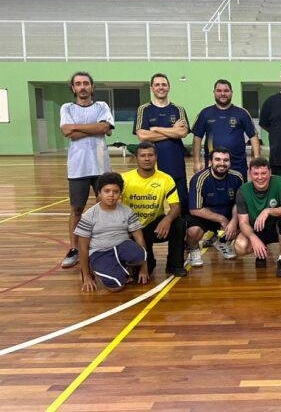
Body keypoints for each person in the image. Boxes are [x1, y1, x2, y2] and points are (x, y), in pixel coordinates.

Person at [59, 71, 114, 268]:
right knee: (76, 209)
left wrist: (78, 128)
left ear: (92, 87)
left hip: (100, 166)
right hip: (77, 167)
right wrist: (95, 127)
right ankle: (74, 249)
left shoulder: (102, 106)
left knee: (105, 206)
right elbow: (67, 132)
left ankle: (103, 245)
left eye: (86, 83)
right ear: (73, 88)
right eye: (78, 84)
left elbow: (105, 128)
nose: (82, 87)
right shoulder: (67, 107)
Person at [121, 142, 187, 278]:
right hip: (131, 229)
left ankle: (174, 265)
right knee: (138, 273)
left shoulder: (165, 179)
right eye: (143, 155)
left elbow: (176, 207)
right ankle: (148, 260)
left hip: (154, 227)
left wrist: (167, 219)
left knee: (179, 223)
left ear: (156, 157)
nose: (147, 158)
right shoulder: (124, 179)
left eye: (150, 155)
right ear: (136, 158)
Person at [75, 172, 148, 292]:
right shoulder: (89, 216)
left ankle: (120, 267)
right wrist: (87, 276)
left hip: (121, 247)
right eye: (107, 191)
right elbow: (83, 247)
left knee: (139, 254)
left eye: (115, 191)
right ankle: (97, 268)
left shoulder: (127, 211)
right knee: (116, 287)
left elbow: (139, 238)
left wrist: (144, 268)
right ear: (99, 193)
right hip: (100, 252)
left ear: (120, 193)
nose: (111, 195)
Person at [133, 73, 190, 210]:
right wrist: (172, 132)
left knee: (180, 205)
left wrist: (156, 129)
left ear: (169, 87)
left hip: (175, 162)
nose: (161, 87)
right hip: (150, 163)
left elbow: (182, 132)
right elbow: (142, 135)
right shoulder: (143, 109)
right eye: (157, 85)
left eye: (164, 84)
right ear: (152, 88)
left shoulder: (178, 110)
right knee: (151, 206)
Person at [234, 157, 281, 277]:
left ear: (270, 172)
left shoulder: (279, 182)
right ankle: (261, 252)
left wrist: (268, 211)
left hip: (276, 227)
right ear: (250, 174)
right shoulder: (243, 191)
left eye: (263, 173)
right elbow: (243, 222)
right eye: (256, 174)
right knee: (240, 247)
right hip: (256, 229)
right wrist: (253, 238)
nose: (260, 177)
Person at [185, 147, 244, 268]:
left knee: (246, 220)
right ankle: (194, 250)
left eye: (225, 160)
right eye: (218, 159)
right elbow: (195, 209)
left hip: (228, 213)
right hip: (204, 215)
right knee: (193, 231)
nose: (222, 163)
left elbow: (240, 203)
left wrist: (234, 221)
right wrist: (221, 219)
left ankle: (221, 242)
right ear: (211, 162)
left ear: (230, 163)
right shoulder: (199, 179)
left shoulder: (237, 177)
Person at [192, 79, 260, 179]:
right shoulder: (205, 113)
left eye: (226, 91)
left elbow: (253, 137)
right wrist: (196, 162)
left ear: (231, 93)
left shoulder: (242, 113)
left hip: (238, 165)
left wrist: (256, 161)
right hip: (213, 164)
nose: (223, 94)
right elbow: (197, 138)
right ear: (214, 92)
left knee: (239, 193)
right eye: (219, 91)